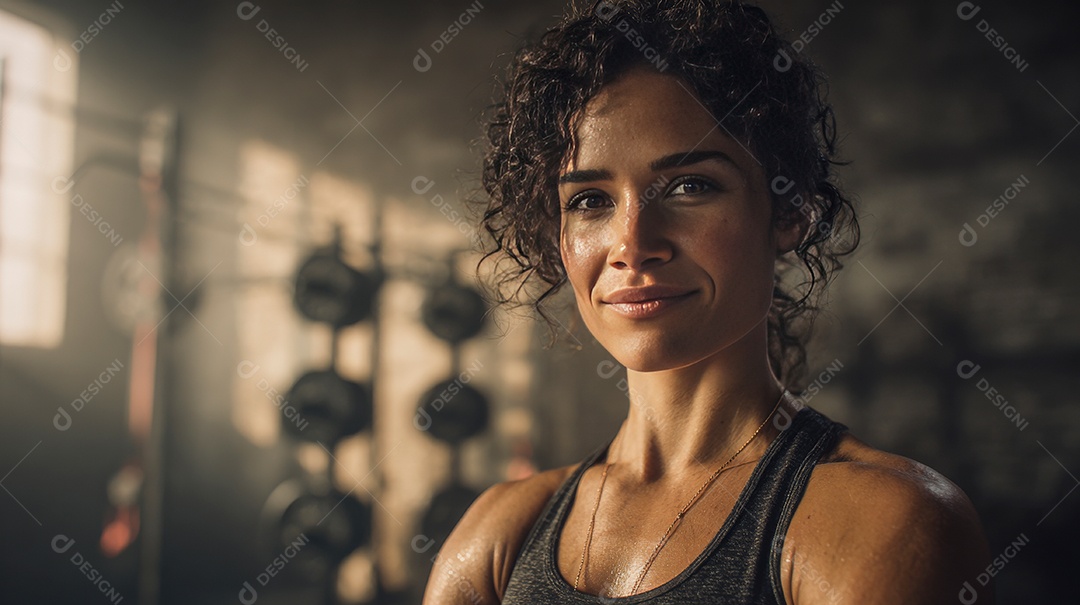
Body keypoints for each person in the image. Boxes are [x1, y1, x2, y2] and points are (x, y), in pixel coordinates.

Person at [424, 1, 992, 603]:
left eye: (691, 186)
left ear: (790, 209)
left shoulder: (882, 523)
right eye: (590, 200)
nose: (633, 246)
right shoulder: (501, 533)